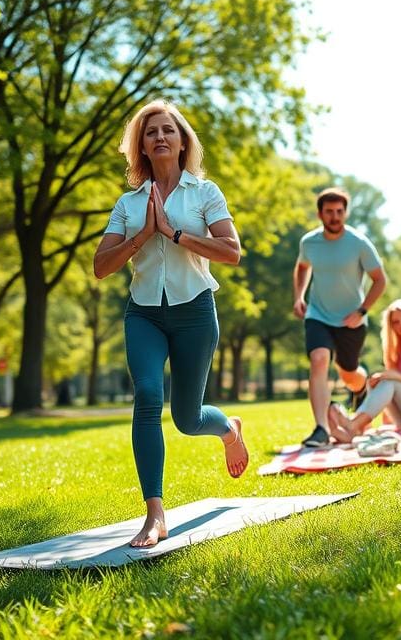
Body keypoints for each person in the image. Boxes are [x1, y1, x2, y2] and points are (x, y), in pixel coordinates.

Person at [94, 99, 248, 548]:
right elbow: (101, 266)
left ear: (182, 142)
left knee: (186, 417)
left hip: (194, 312)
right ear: (140, 146)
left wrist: (175, 234)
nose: (160, 137)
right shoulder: (128, 203)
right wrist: (143, 234)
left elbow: (231, 252)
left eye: (168, 130)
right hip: (144, 313)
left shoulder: (205, 194)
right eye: (150, 132)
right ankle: (154, 515)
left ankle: (228, 428)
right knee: (146, 394)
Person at [293, 187, 387, 447]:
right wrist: (299, 296)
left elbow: (380, 281)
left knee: (349, 374)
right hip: (318, 313)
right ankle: (321, 428)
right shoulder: (309, 242)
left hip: (350, 319)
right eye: (329, 212)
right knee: (319, 358)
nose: (334, 217)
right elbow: (302, 267)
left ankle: (360, 387)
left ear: (345, 213)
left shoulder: (358, 243)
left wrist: (362, 311)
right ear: (320, 214)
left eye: (339, 211)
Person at [329, 299, 401, 440]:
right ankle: (358, 426)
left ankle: (352, 426)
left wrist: (397, 377)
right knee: (380, 381)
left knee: (391, 381)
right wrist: (375, 385)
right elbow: (389, 393)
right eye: (396, 322)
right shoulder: (395, 351)